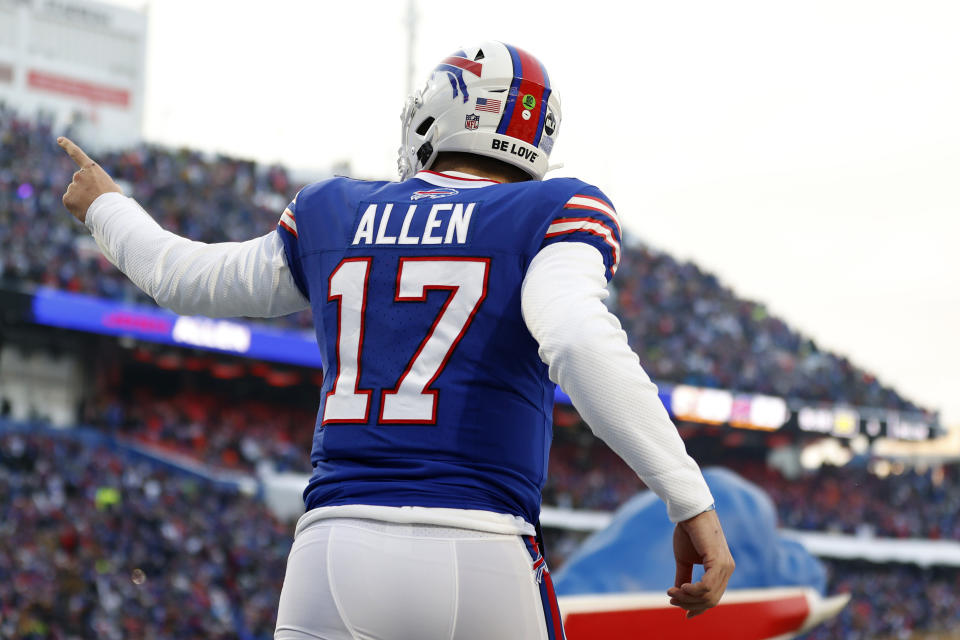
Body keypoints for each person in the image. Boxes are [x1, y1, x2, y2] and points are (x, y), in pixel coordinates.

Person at [59, 41, 734, 640]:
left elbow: (187, 277)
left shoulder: (336, 208)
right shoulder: (553, 208)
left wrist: (106, 205)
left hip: (335, 551)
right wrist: (687, 498)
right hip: (482, 550)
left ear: (440, 113)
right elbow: (580, 342)